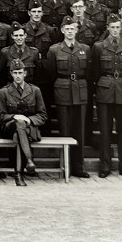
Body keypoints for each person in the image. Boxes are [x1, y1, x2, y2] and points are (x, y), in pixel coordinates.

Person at [45, 17, 92, 178]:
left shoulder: (85, 49)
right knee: (65, 130)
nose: (70, 31)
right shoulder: (54, 50)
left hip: (80, 91)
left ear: (76, 30)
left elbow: (89, 73)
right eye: (67, 28)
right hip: (63, 91)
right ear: (63, 30)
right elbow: (50, 74)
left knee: (79, 130)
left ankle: (79, 167)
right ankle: (65, 166)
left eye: (73, 28)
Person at [90, 14, 122, 179]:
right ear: (108, 28)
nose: (115, 30)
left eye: (118, 27)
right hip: (105, 89)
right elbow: (94, 71)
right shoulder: (99, 47)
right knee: (105, 130)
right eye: (113, 27)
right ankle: (105, 166)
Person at [0, 59, 48, 187]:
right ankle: (29, 160)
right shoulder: (4, 92)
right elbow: (0, 116)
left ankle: (18, 174)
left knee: (19, 133)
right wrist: (15, 116)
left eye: (20, 72)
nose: (18, 76)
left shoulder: (35, 91)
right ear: (11, 74)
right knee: (19, 124)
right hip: (9, 127)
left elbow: (43, 115)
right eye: (15, 73)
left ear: (25, 73)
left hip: (30, 128)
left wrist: (29, 120)